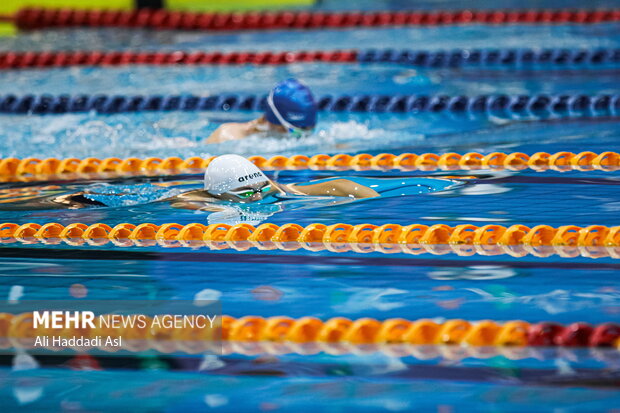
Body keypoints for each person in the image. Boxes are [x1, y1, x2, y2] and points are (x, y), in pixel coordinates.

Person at [205, 78, 318, 143]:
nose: (304, 138)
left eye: (311, 130)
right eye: (297, 133)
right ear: (276, 122)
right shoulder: (228, 137)